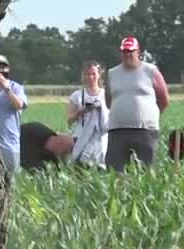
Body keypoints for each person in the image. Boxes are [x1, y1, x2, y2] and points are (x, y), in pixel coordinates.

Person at [105, 36, 170, 172]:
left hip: (145, 131)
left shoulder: (151, 71)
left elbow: (164, 99)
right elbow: (109, 101)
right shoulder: (112, 73)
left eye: (131, 51)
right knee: (115, 172)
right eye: (124, 51)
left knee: (146, 171)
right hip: (117, 130)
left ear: (138, 52)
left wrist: (151, 115)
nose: (127, 54)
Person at [0, 54, 28, 180]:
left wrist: (6, 88)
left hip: (10, 144)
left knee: (10, 181)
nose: (0, 71)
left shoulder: (15, 87)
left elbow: (19, 105)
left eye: (3, 67)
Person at [67, 61, 109, 168]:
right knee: (80, 168)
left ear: (99, 75)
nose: (90, 77)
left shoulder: (106, 94)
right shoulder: (76, 95)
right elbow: (69, 120)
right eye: (87, 74)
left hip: (101, 138)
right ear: (83, 75)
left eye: (93, 74)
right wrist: (82, 111)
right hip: (80, 137)